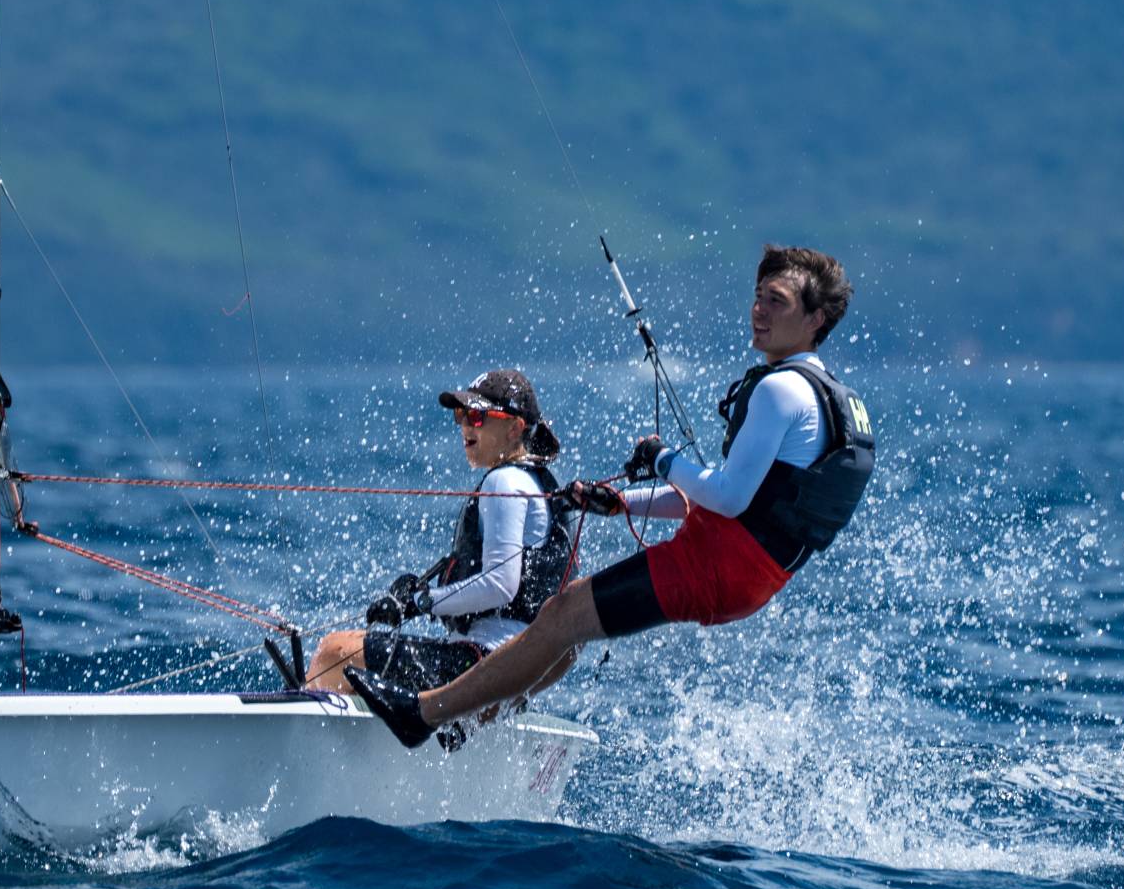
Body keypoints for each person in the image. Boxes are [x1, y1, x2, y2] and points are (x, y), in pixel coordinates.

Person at [347, 245, 875, 747]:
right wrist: (622, 502)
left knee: (561, 616)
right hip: (751, 574)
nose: (759, 310)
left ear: (816, 319)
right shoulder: (829, 396)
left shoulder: (780, 389)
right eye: (758, 296)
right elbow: (721, 499)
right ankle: (475, 714)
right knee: (568, 625)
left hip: (717, 565)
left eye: (776, 301)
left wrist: (661, 458)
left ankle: (425, 714)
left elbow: (729, 498)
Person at [304, 369, 575, 698]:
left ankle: (300, 720)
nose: (465, 426)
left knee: (333, 653)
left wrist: (422, 601)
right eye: (461, 415)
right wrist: (422, 597)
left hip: (484, 662)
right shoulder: (538, 482)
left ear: (515, 428)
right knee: (354, 668)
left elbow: (500, 585)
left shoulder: (504, 481)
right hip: (514, 669)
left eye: (477, 417)